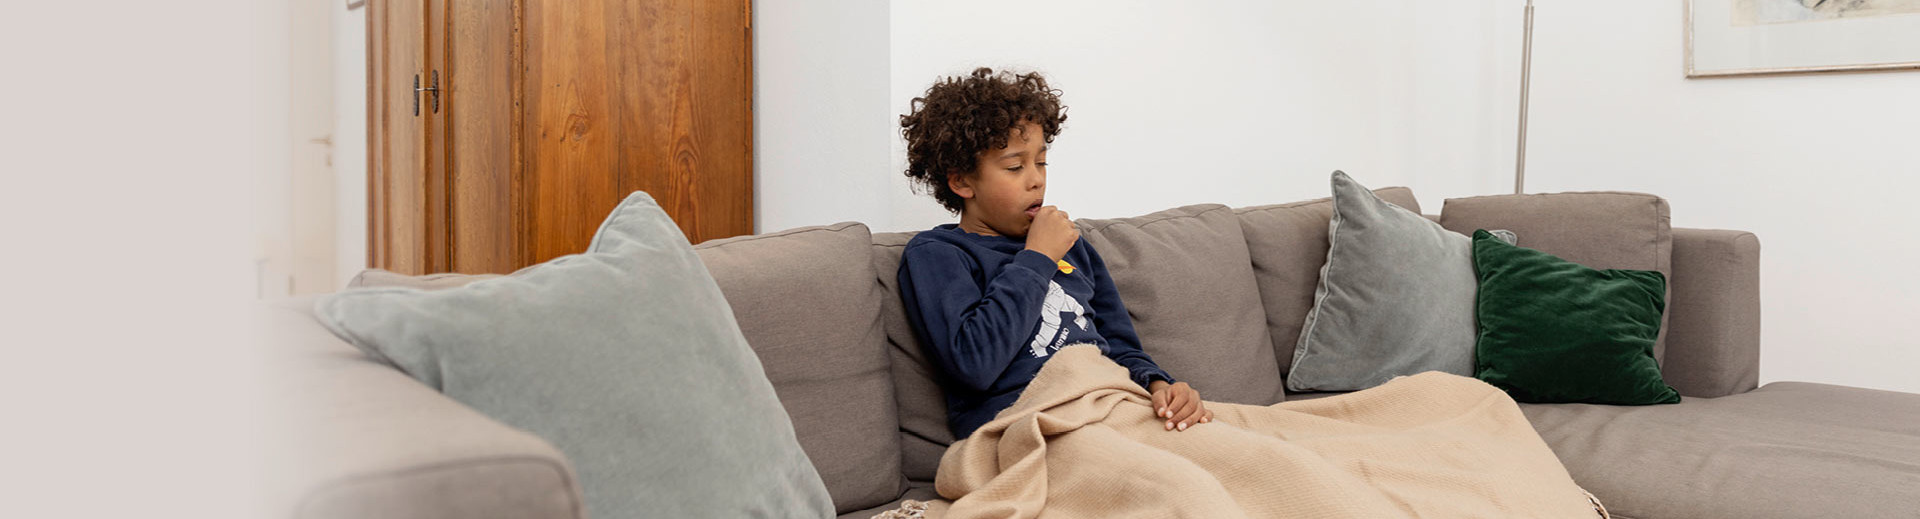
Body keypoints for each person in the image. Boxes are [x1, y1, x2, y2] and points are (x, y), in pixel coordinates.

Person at [896, 67, 1210, 440]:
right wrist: (1037, 258)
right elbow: (975, 364)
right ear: (962, 181)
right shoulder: (938, 255)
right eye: (1015, 166)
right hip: (1026, 424)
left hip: (1108, 403)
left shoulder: (1071, 243)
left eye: (1041, 162)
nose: (1037, 179)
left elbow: (1120, 346)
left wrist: (1160, 385)